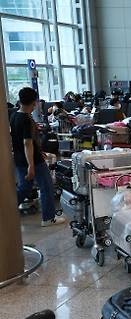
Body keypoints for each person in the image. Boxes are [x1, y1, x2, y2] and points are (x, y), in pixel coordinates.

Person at [11, 88, 65, 227]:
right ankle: (48, 218)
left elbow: (22, 141)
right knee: (46, 186)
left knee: (24, 187)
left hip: (19, 158)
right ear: (33, 102)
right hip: (32, 160)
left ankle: (7, 210)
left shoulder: (14, 115)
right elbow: (27, 142)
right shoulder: (26, 119)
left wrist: (39, 150)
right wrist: (31, 165)